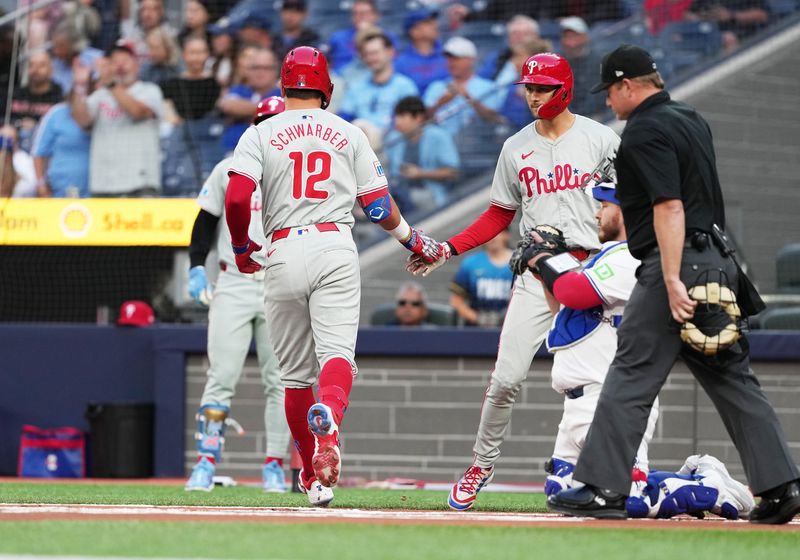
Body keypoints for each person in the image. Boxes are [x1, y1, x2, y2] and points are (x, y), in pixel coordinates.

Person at [546, 44, 800, 524]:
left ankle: (604, 488)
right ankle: (782, 486)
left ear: (627, 85)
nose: (609, 103)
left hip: (675, 264)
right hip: (716, 261)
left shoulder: (643, 128)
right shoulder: (691, 118)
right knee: (731, 377)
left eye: (611, 92)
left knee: (630, 373)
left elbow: (669, 206)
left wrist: (669, 276)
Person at [224, 46, 441, 507]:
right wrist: (412, 241)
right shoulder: (349, 132)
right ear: (326, 87)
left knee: (295, 377)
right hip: (334, 244)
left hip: (282, 247)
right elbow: (379, 206)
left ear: (284, 85)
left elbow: (238, 198)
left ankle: (311, 476)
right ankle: (332, 423)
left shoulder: (260, 131)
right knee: (337, 356)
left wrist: (243, 247)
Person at [407, 53, 620, 511]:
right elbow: (499, 214)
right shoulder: (515, 147)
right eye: (528, 87)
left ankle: (607, 472)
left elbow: (627, 205)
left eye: (542, 87)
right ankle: (481, 463)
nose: (532, 95)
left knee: (598, 384)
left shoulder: (602, 138)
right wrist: (448, 248)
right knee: (505, 379)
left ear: (564, 89)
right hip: (537, 271)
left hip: (592, 271)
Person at [521, 183, 659, 498]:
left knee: (633, 496)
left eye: (605, 206)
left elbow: (574, 290)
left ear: (628, 212)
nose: (597, 214)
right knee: (558, 491)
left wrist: (546, 259)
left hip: (609, 401)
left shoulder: (632, 258)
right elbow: (565, 304)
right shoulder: (606, 258)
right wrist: (544, 270)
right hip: (578, 405)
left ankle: (708, 485)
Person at [185, 97, 292, 493]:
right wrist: (197, 266)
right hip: (234, 280)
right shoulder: (229, 168)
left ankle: (274, 466)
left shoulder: (294, 173)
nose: (268, 129)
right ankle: (206, 463)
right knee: (221, 376)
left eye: (274, 122)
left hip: (280, 280)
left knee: (281, 380)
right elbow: (204, 221)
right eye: (263, 122)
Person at [71, 41, 164, 196]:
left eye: (125, 61)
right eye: (115, 63)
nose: (120, 67)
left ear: (137, 65)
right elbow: (82, 120)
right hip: (104, 185)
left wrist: (110, 84)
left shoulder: (150, 90)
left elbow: (138, 112)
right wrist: (79, 85)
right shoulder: (100, 95)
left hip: (140, 184)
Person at [383, 96, 459, 212]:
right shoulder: (395, 140)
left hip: (431, 193)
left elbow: (453, 172)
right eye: (396, 117)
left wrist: (421, 173)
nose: (397, 121)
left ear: (418, 117)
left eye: (402, 116)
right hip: (401, 197)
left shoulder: (437, 136)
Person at [337, 31, 418, 134]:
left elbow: (411, 121)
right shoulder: (356, 88)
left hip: (394, 142)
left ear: (390, 52)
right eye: (366, 54)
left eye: (375, 53)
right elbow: (344, 117)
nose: (370, 58)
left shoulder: (405, 86)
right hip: (362, 142)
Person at [422, 37, 505, 137]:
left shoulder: (488, 87)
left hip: (478, 146)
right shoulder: (436, 87)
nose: (451, 62)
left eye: (456, 58)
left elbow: (493, 119)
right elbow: (422, 120)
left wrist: (468, 97)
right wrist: (440, 103)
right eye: (449, 58)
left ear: (471, 60)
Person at [218, 47, 281, 152]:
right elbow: (228, 106)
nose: (260, 73)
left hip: (270, 154)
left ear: (275, 71)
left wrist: (246, 109)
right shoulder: (239, 89)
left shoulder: (282, 93)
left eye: (266, 68)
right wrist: (270, 110)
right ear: (248, 71)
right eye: (255, 67)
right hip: (233, 153)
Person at [449, 228, 513, 328]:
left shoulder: (519, 263)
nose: (492, 238)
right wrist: (477, 318)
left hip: (510, 326)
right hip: (476, 328)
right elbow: (456, 301)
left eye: (497, 233)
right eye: (488, 234)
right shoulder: (470, 263)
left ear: (507, 235)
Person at [31, 101, 91, 197]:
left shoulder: (100, 110)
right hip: (59, 191)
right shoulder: (56, 113)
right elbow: (38, 152)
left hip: (98, 191)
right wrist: (41, 185)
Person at [10, 50, 64, 153]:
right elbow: (5, 118)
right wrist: (18, 124)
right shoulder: (16, 94)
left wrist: (36, 127)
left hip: (45, 150)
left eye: (41, 65)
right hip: (15, 148)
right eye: (31, 65)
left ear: (51, 70)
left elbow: (59, 127)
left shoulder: (59, 97)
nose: (35, 70)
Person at [160, 36, 220, 123]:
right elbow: (168, 113)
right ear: (184, 55)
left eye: (201, 52)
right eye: (193, 52)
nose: (197, 57)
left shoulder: (216, 83)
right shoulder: (171, 84)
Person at [394, 9, 449, 94]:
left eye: (434, 21)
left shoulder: (449, 56)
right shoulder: (400, 64)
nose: (435, 25)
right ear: (414, 31)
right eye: (427, 22)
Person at [685, 0, 769, 51]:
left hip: (747, 34)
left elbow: (762, 15)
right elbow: (688, 15)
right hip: (712, 35)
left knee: (728, 38)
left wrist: (731, 16)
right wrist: (703, 17)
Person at [0, 126, 37, 197]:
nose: (5, 144)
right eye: (2, 139)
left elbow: (31, 185)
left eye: (9, 140)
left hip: (17, 201)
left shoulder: (23, 158)